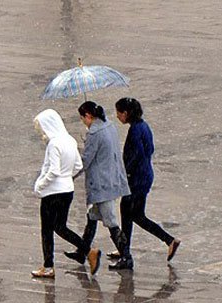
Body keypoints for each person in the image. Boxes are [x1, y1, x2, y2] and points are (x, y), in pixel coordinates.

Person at [31, 109, 102, 278]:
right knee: (60, 227)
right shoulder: (69, 140)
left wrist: (40, 186)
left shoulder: (54, 144)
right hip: (67, 190)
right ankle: (88, 251)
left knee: (47, 230)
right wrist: (66, 178)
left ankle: (48, 266)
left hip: (52, 193)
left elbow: (53, 171)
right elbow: (78, 166)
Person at [64, 101, 134, 270]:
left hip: (101, 184)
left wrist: (68, 176)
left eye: (83, 119)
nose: (83, 122)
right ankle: (83, 252)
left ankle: (126, 256)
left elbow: (85, 160)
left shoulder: (95, 134)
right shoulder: (108, 125)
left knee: (110, 221)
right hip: (111, 178)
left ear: (88, 116)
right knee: (92, 217)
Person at [112, 97, 180, 262]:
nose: (117, 116)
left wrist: (124, 174)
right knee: (132, 214)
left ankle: (165, 240)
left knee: (131, 214)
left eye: (118, 113)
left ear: (126, 113)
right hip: (144, 176)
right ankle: (124, 247)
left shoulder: (135, 130)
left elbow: (134, 156)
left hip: (135, 179)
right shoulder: (143, 126)